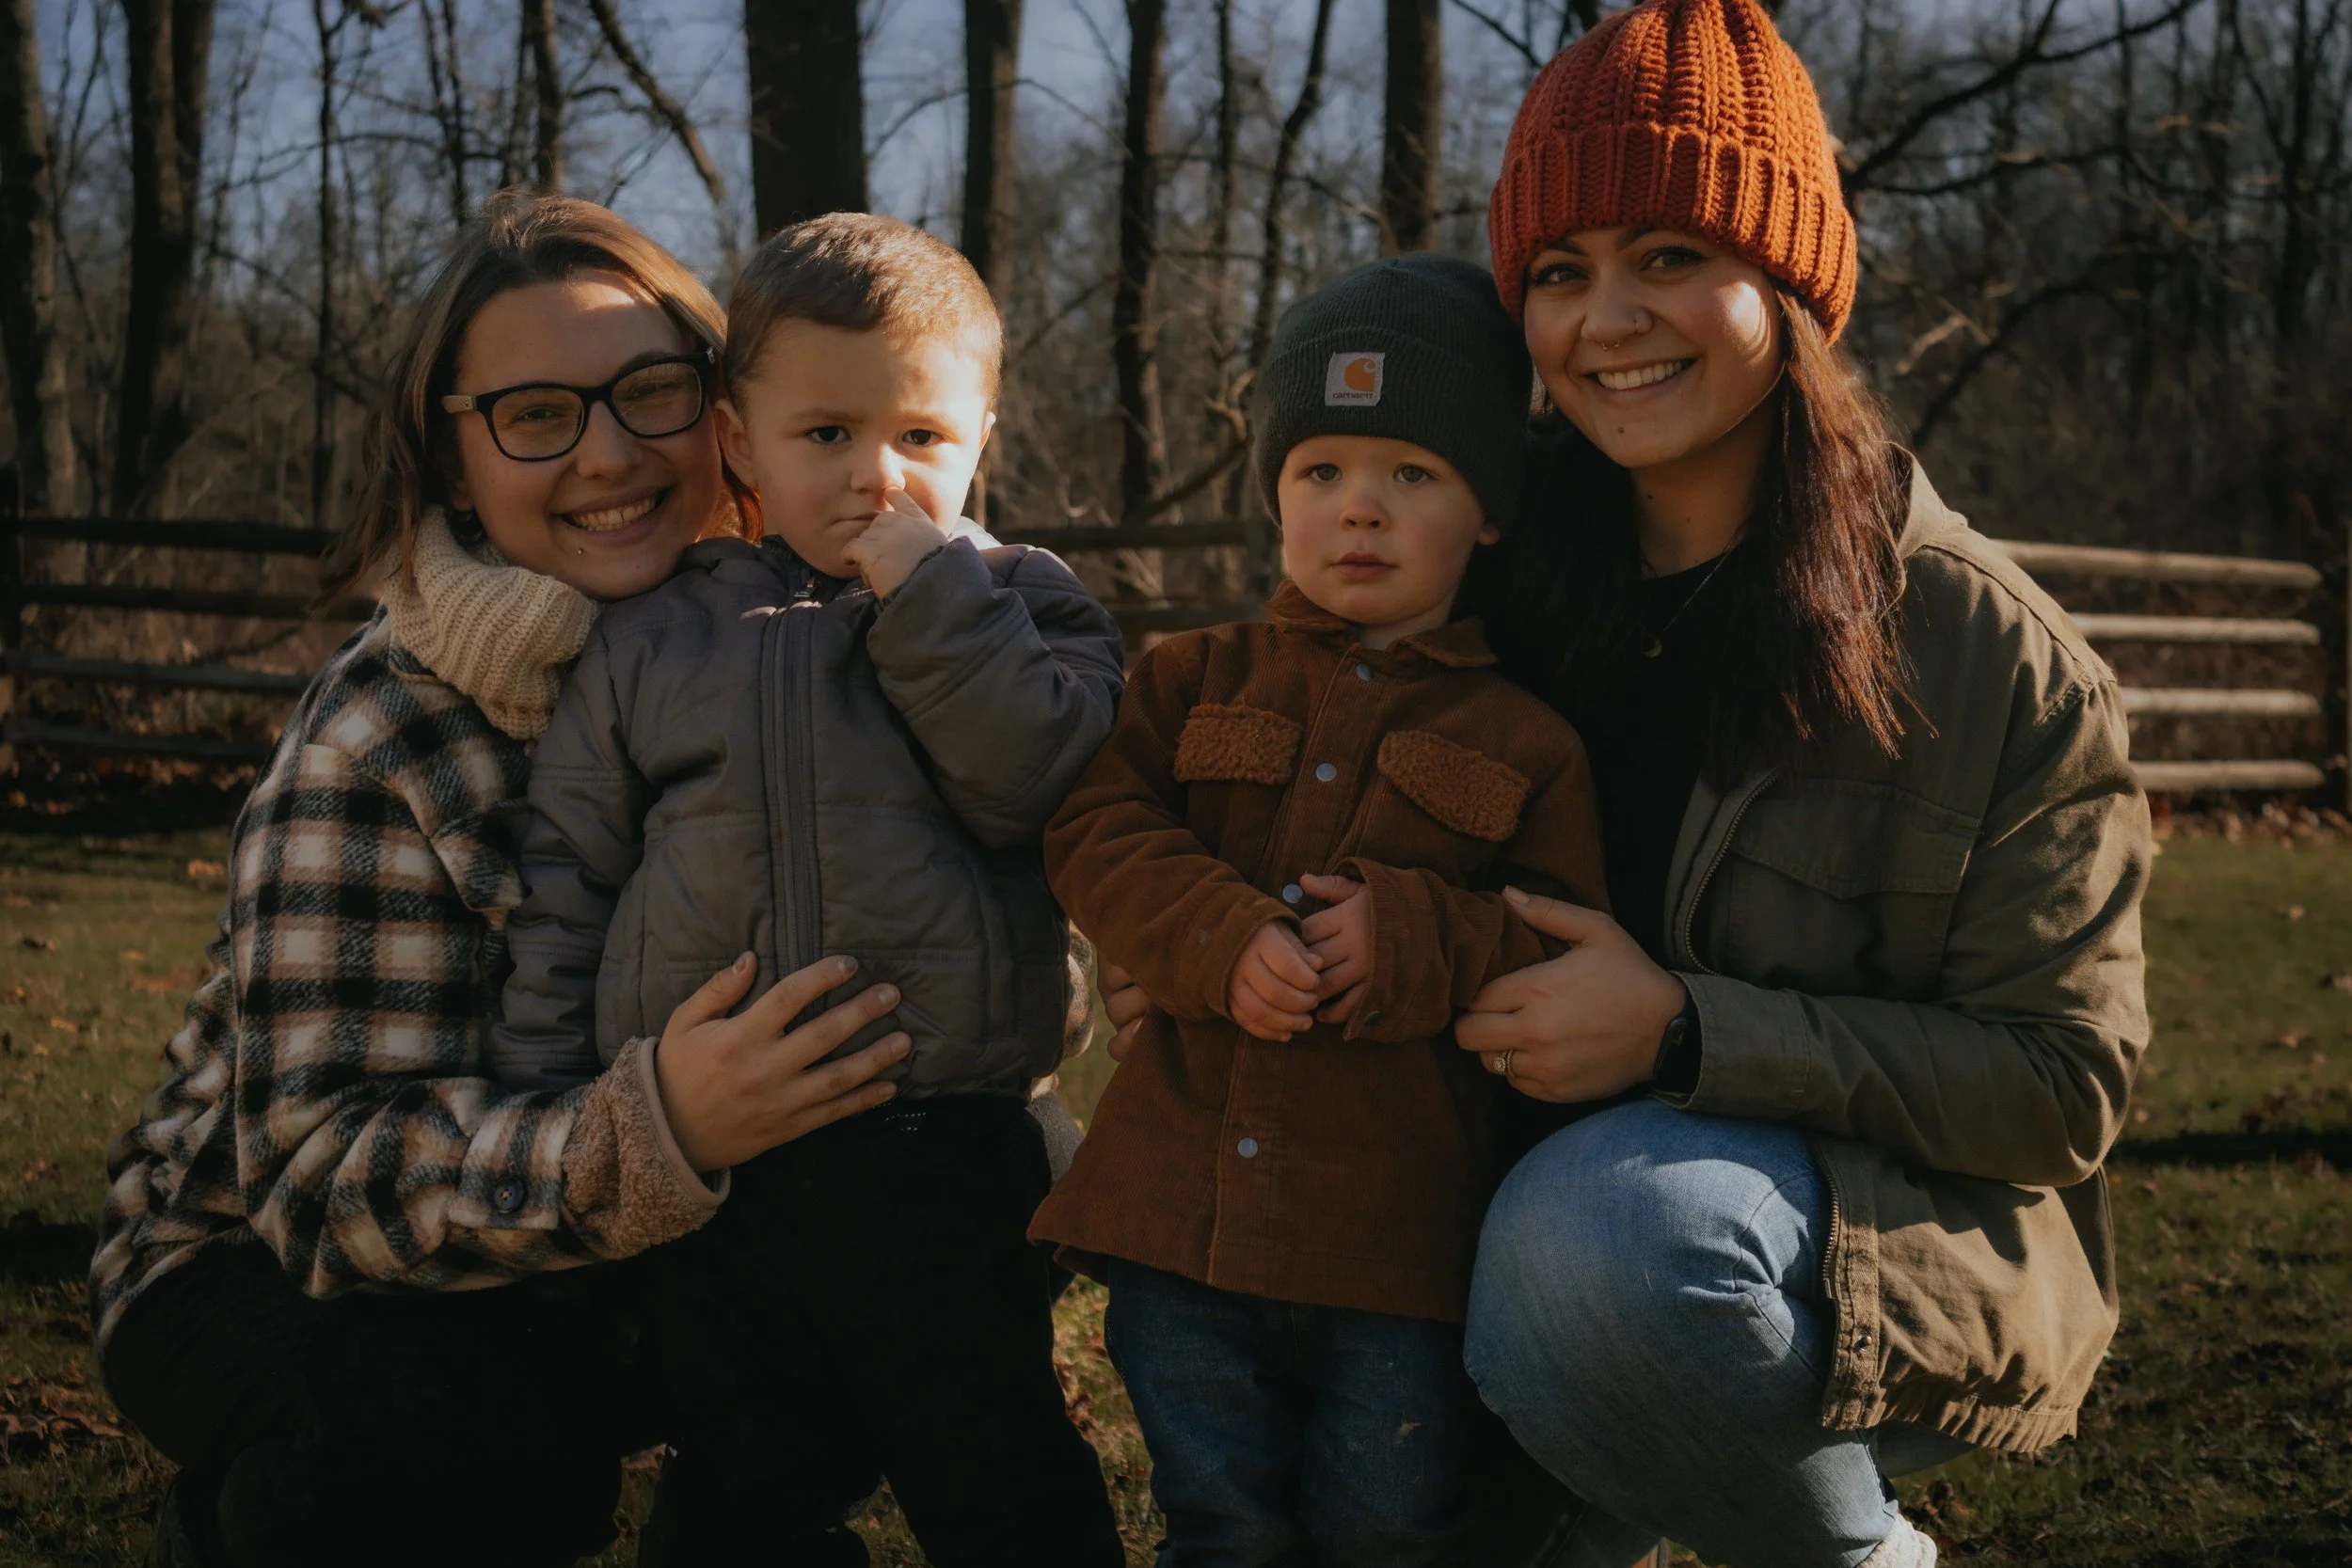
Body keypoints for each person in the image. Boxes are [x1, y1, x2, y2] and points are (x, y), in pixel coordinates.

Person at [91, 191, 912, 1568]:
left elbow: (970, 936)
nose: (609, 453)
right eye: (537, 415)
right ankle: (251, 1525)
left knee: (987, 1175)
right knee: (489, 1442)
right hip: (259, 1262)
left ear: (722, 412)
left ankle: (744, 1522)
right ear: (455, 463)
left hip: (623, 1233)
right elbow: (316, 1180)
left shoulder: (816, 638)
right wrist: (659, 1130)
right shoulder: (382, 733)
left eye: (650, 390)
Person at [485, 212, 1127, 1568]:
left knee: (997, 1463)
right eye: (827, 433)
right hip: (724, 1161)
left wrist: (932, 595)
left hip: (951, 1145)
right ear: (739, 441)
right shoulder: (654, 637)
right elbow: (572, 876)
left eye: (921, 436)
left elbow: (1038, 783)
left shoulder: (1025, 603)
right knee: (742, 1476)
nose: (877, 476)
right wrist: (554, 1095)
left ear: (982, 437)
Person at [1031, 254, 1610, 1568]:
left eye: (1414, 473)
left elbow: (1557, 927)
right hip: (1182, 1228)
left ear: (1490, 513)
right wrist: (1214, 931)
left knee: (1385, 1528)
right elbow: (1095, 828)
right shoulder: (1191, 678)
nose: (1361, 506)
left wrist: (1414, 938)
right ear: (1276, 492)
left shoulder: (1530, 741)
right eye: (1321, 470)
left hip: (1392, 1249)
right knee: (1221, 1522)